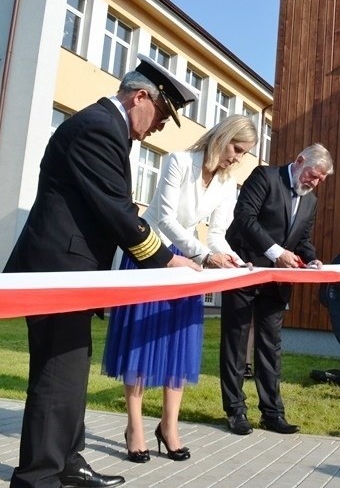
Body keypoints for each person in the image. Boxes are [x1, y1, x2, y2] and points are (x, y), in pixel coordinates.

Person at [4, 54, 202, 488]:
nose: (160, 127)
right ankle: (37, 478)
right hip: (58, 272)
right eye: (162, 116)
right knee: (57, 377)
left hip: (73, 272)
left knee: (70, 373)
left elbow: (114, 206)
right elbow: (116, 210)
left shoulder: (107, 128)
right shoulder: (98, 127)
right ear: (140, 97)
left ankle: (68, 463)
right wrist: (166, 259)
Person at [102, 114, 257, 463]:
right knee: (139, 346)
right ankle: (135, 428)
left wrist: (232, 259)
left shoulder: (227, 184)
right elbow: (167, 219)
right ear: (222, 137)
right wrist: (204, 255)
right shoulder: (178, 161)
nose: (237, 158)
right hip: (149, 254)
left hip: (189, 262)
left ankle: (169, 427)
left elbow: (217, 234)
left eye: (244, 154)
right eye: (237, 148)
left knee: (177, 344)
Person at [220, 143, 334, 436]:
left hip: (277, 281)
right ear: (299, 161)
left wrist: (311, 259)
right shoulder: (265, 177)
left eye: (321, 180)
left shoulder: (311, 201)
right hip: (243, 269)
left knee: (270, 347)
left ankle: (273, 414)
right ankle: (236, 412)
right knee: (236, 342)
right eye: (314, 175)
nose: (315, 183)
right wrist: (276, 253)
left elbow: (303, 239)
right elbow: (244, 218)